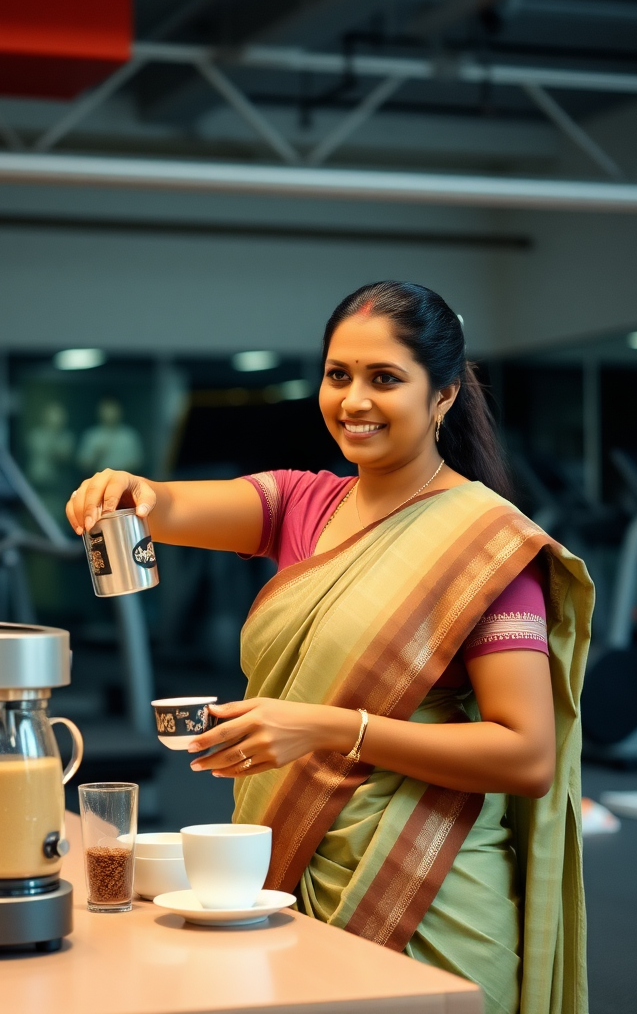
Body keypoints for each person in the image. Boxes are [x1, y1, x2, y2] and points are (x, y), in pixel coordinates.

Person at [66, 281, 592, 1014]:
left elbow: (528, 755)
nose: (353, 400)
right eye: (338, 375)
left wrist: (324, 728)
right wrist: (124, 492)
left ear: (442, 395)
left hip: (430, 894)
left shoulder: (485, 548)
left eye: (384, 379)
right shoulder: (302, 504)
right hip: (283, 879)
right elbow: (167, 505)